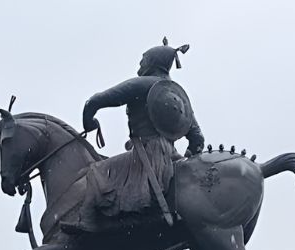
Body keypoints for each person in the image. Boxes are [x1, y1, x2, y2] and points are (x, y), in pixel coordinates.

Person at [72, 38, 205, 233]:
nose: (139, 66)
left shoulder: (142, 85)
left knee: (97, 171)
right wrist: (187, 158)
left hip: (146, 157)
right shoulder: (177, 95)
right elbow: (198, 139)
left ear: (152, 62)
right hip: (169, 158)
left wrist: (89, 122)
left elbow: (95, 101)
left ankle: (88, 222)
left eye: (143, 61)